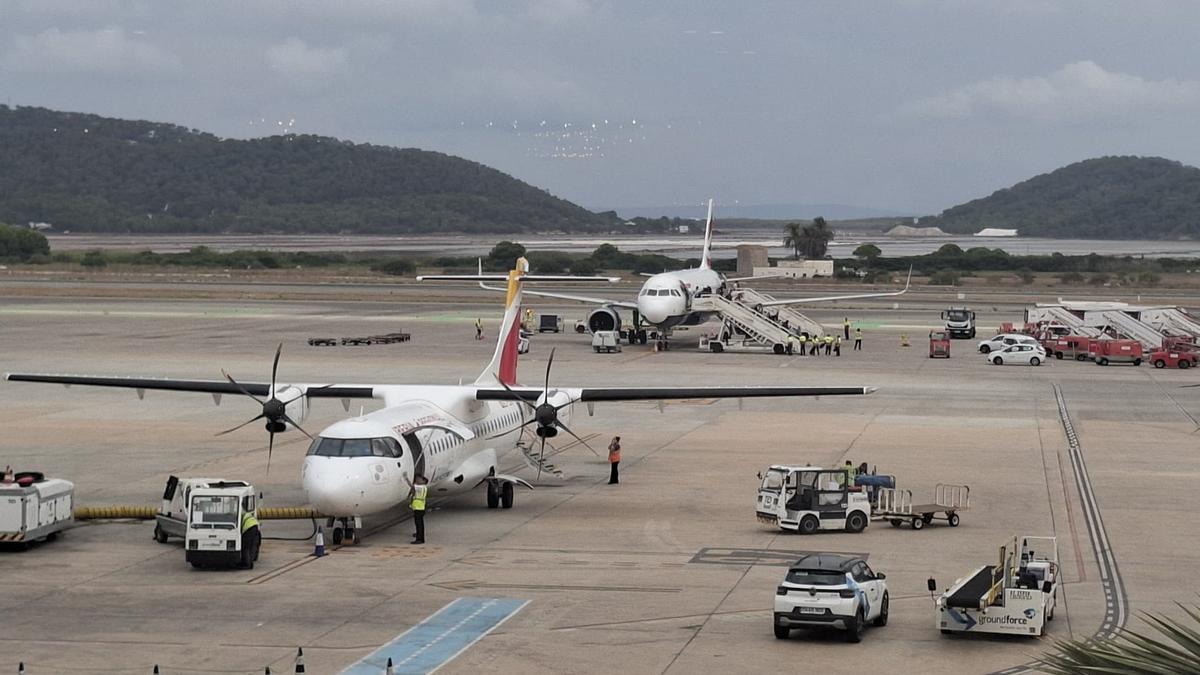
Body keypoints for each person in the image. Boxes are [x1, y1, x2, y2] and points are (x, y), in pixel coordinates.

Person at [403, 473, 429, 544]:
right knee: (419, 523)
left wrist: (406, 478)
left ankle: (420, 539)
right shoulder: (423, 487)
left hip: (419, 507)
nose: (417, 480)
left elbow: (411, 486)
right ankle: (418, 534)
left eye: (419, 479)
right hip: (420, 507)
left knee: (419, 524)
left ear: (423, 481)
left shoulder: (420, 487)